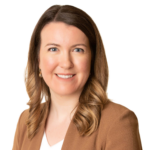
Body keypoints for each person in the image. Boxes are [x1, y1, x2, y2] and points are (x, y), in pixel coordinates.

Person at [12, 4, 143, 150]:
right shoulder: (27, 120)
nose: (66, 63)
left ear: (92, 59)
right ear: (37, 60)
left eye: (78, 50)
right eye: (53, 49)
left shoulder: (117, 122)